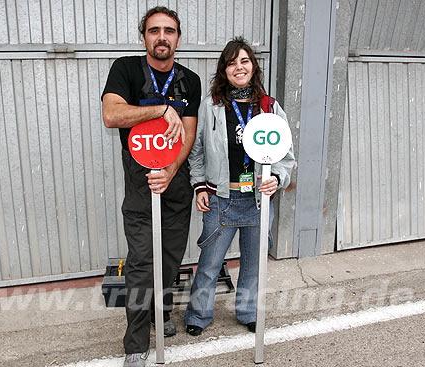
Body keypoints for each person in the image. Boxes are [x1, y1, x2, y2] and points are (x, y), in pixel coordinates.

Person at [101, 6, 201, 367]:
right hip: (140, 188)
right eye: (154, 30)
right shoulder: (125, 69)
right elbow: (112, 115)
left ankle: (161, 313)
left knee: (170, 260)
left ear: (178, 37)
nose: (162, 37)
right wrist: (159, 109)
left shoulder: (190, 79)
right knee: (142, 264)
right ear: (143, 36)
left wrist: (172, 170)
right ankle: (136, 345)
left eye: (169, 31)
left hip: (175, 186)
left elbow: (187, 134)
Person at [184, 37, 294, 336]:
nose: (238, 67)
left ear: (253, 66)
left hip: (258, 201)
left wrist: (277, 178)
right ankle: (198, 314)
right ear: (224, 70)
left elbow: (286, 156)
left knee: (253, 265)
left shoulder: (269, 107)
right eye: (231, 63)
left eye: (244, 61)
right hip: (221, 198)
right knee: (209, 262)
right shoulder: (211, 105)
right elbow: (196, 150)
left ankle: (248, 312)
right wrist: (199, 186)